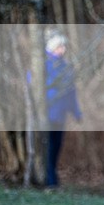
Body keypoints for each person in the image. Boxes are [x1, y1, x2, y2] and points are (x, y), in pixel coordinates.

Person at [43, 31, 82, 187]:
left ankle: (52, 178)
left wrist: (76, 112)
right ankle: (50, 180)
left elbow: (71, 93)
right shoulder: (44, 65)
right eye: (60, 46)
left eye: (64, 46)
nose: (63, 49)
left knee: (55, 148)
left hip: (60, 115)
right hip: (47, 114)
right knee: (47, 148)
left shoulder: (65, 67)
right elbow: (34, 85)